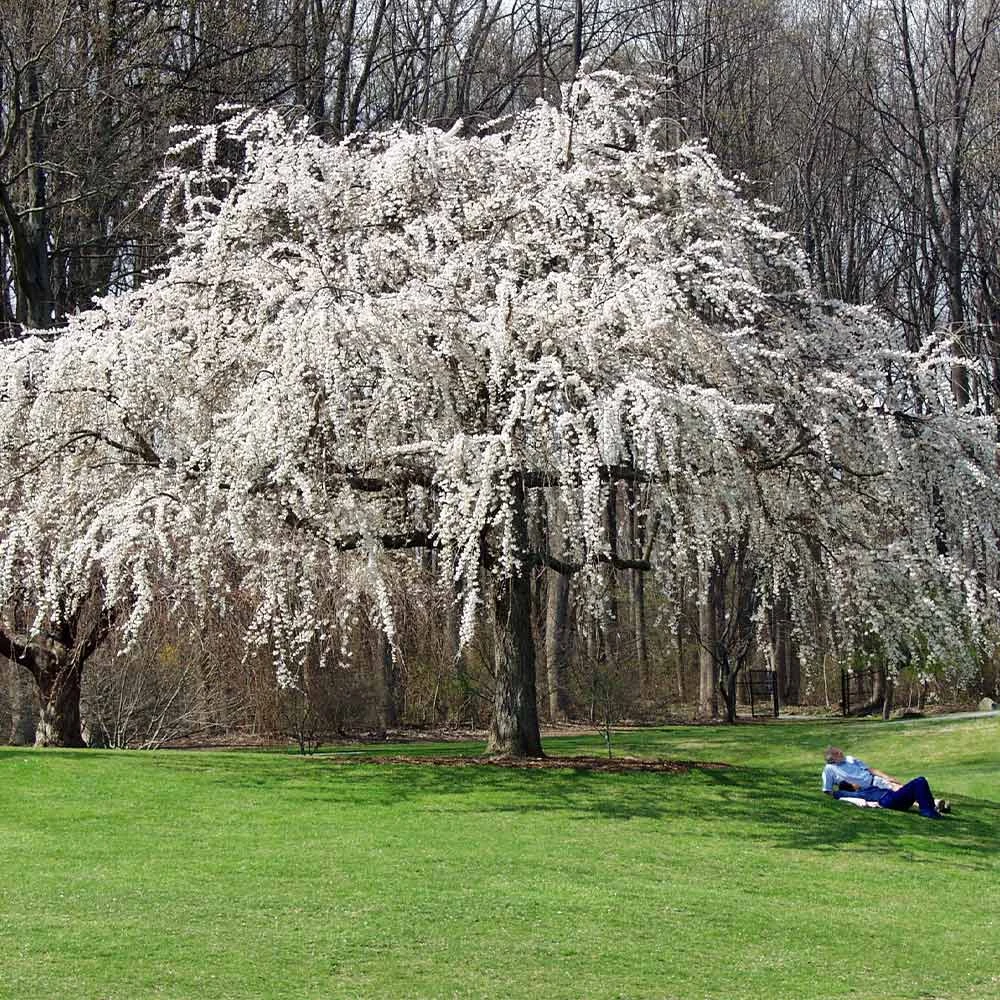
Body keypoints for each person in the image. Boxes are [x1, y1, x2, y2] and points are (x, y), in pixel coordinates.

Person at [821, 746, 951, 819]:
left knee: (911, 785)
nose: (841, 752)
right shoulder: (856, 792)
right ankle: (929, 808)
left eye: (839, 751)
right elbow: (835, 793)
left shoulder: (850, 761)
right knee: (919, 782)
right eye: (836, 753)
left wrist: (887, 778)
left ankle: (931, 806)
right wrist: (838, 794)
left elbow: (870, 769)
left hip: (886, 793)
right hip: (887, 800)